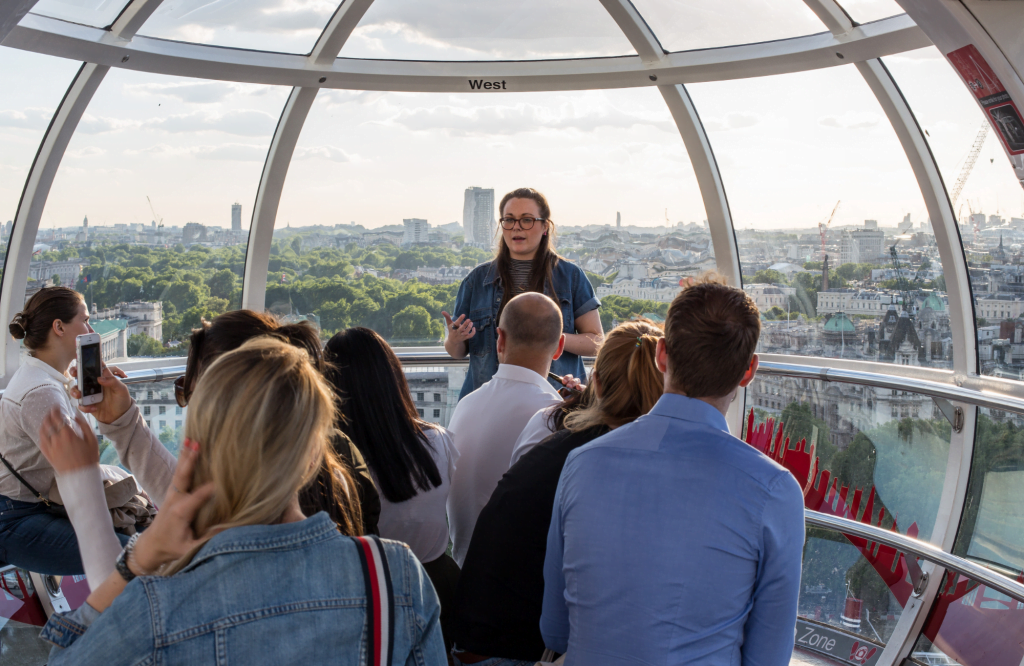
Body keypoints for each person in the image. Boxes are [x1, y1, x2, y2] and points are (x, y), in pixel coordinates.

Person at [38, 338, 446, 664]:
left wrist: (135, 563)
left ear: (197, 450)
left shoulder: (157, 606)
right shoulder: (394, 574)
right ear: (312, 454)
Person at [540, 275, 806, 665]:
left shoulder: (583, 463)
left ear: (661, 354)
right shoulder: (774, 489)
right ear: (748, 372)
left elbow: (556, 630)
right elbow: (768, 657)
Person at [61, 310, 370, 589]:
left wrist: (82, 483)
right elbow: (188, 499)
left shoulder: (211, 566)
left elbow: (108, 626)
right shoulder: (338, 484)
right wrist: (122, 422)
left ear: (222, 403)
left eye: (188, 393)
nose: (186, 408)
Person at [449, 320, 664, 666]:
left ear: (597, 379)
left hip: (477, 637)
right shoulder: (606, 460)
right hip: (513, 650)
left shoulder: (560, 435)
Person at [323, 327, 460, 650]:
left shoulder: (333, 467)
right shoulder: (438, 442)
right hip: (439, 587)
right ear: (394, 378)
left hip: (367, 594)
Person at [0, 286, 131, 577]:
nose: (91, 328)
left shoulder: (44, 379)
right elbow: (76, 469)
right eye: (84, 320)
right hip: (17, 518)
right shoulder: (41, 391)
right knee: (132, 563)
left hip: (26, 506)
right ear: (58, 327)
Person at [443, 187, 602, 399]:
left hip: (555, 404)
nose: (516, 227)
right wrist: (454, 339)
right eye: (509, 220)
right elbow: (457, 352)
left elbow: (596, 342)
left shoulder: (571, 277)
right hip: (488, 403)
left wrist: (550, 337)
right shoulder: (476, 280)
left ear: (545, 226)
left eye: (526, 220)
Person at [446, 292, 565, 567]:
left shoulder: (467, 404)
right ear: (559, 347)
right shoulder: (554, 418)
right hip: (521, 583)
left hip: (463, 571)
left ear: (499, 339)